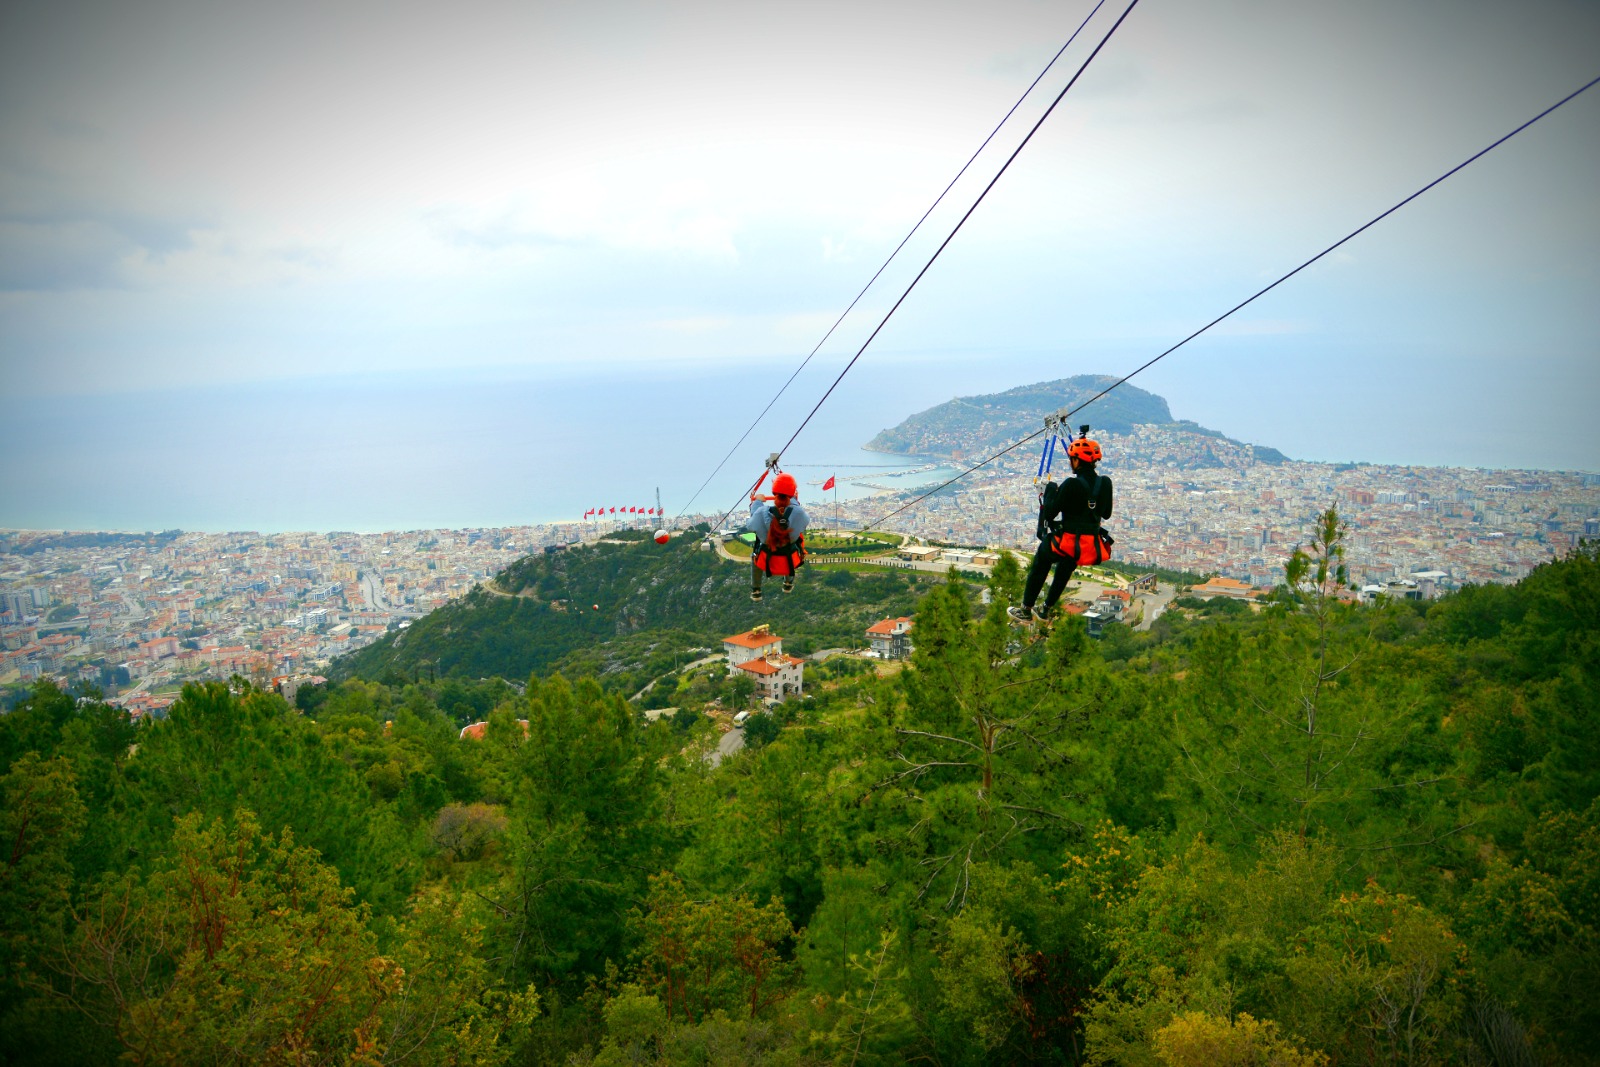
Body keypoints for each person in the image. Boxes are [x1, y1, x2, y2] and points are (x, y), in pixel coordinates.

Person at [1008, 435, 1113, 623]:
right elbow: (1106, 513)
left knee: (1042, 559)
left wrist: (1050, 491)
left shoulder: (1071, 484)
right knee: (1067, 566)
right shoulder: (1105, 483)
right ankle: (1045, 608)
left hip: (1068, 541)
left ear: (1076, 460)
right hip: (1089, 545)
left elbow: (1049, 513)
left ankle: (1026, 608)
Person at [747, 471, 810, 601]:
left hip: (766, 560)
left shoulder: (761, 512)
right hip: (790, 559)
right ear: (791, 494)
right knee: (792, 550)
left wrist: (757, 502)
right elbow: (801, 518)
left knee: (754, 556)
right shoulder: (799, 513)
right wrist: (793, 500)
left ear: (774, 493)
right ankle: (788, 582)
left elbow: (750, 525)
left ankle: (756, 590)